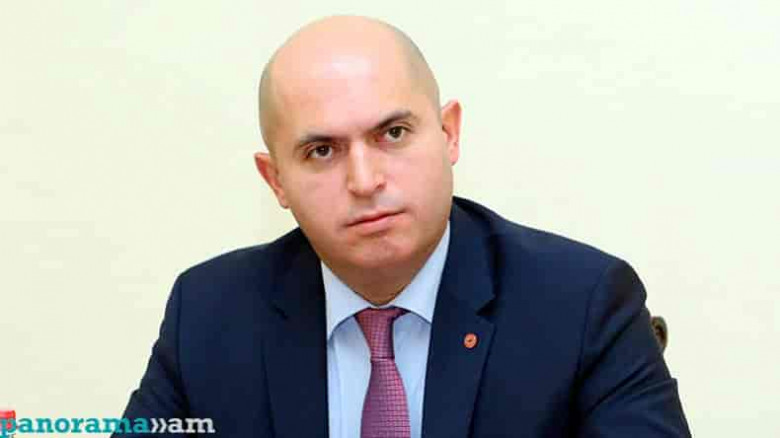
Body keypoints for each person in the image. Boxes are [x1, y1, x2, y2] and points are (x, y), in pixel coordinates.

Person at [116, 15, 691, 437]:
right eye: (321, 151)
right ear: (276, 181)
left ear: (449, 134)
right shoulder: (210, 314)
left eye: (392, 134)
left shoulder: (581, 305)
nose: (365, 180)